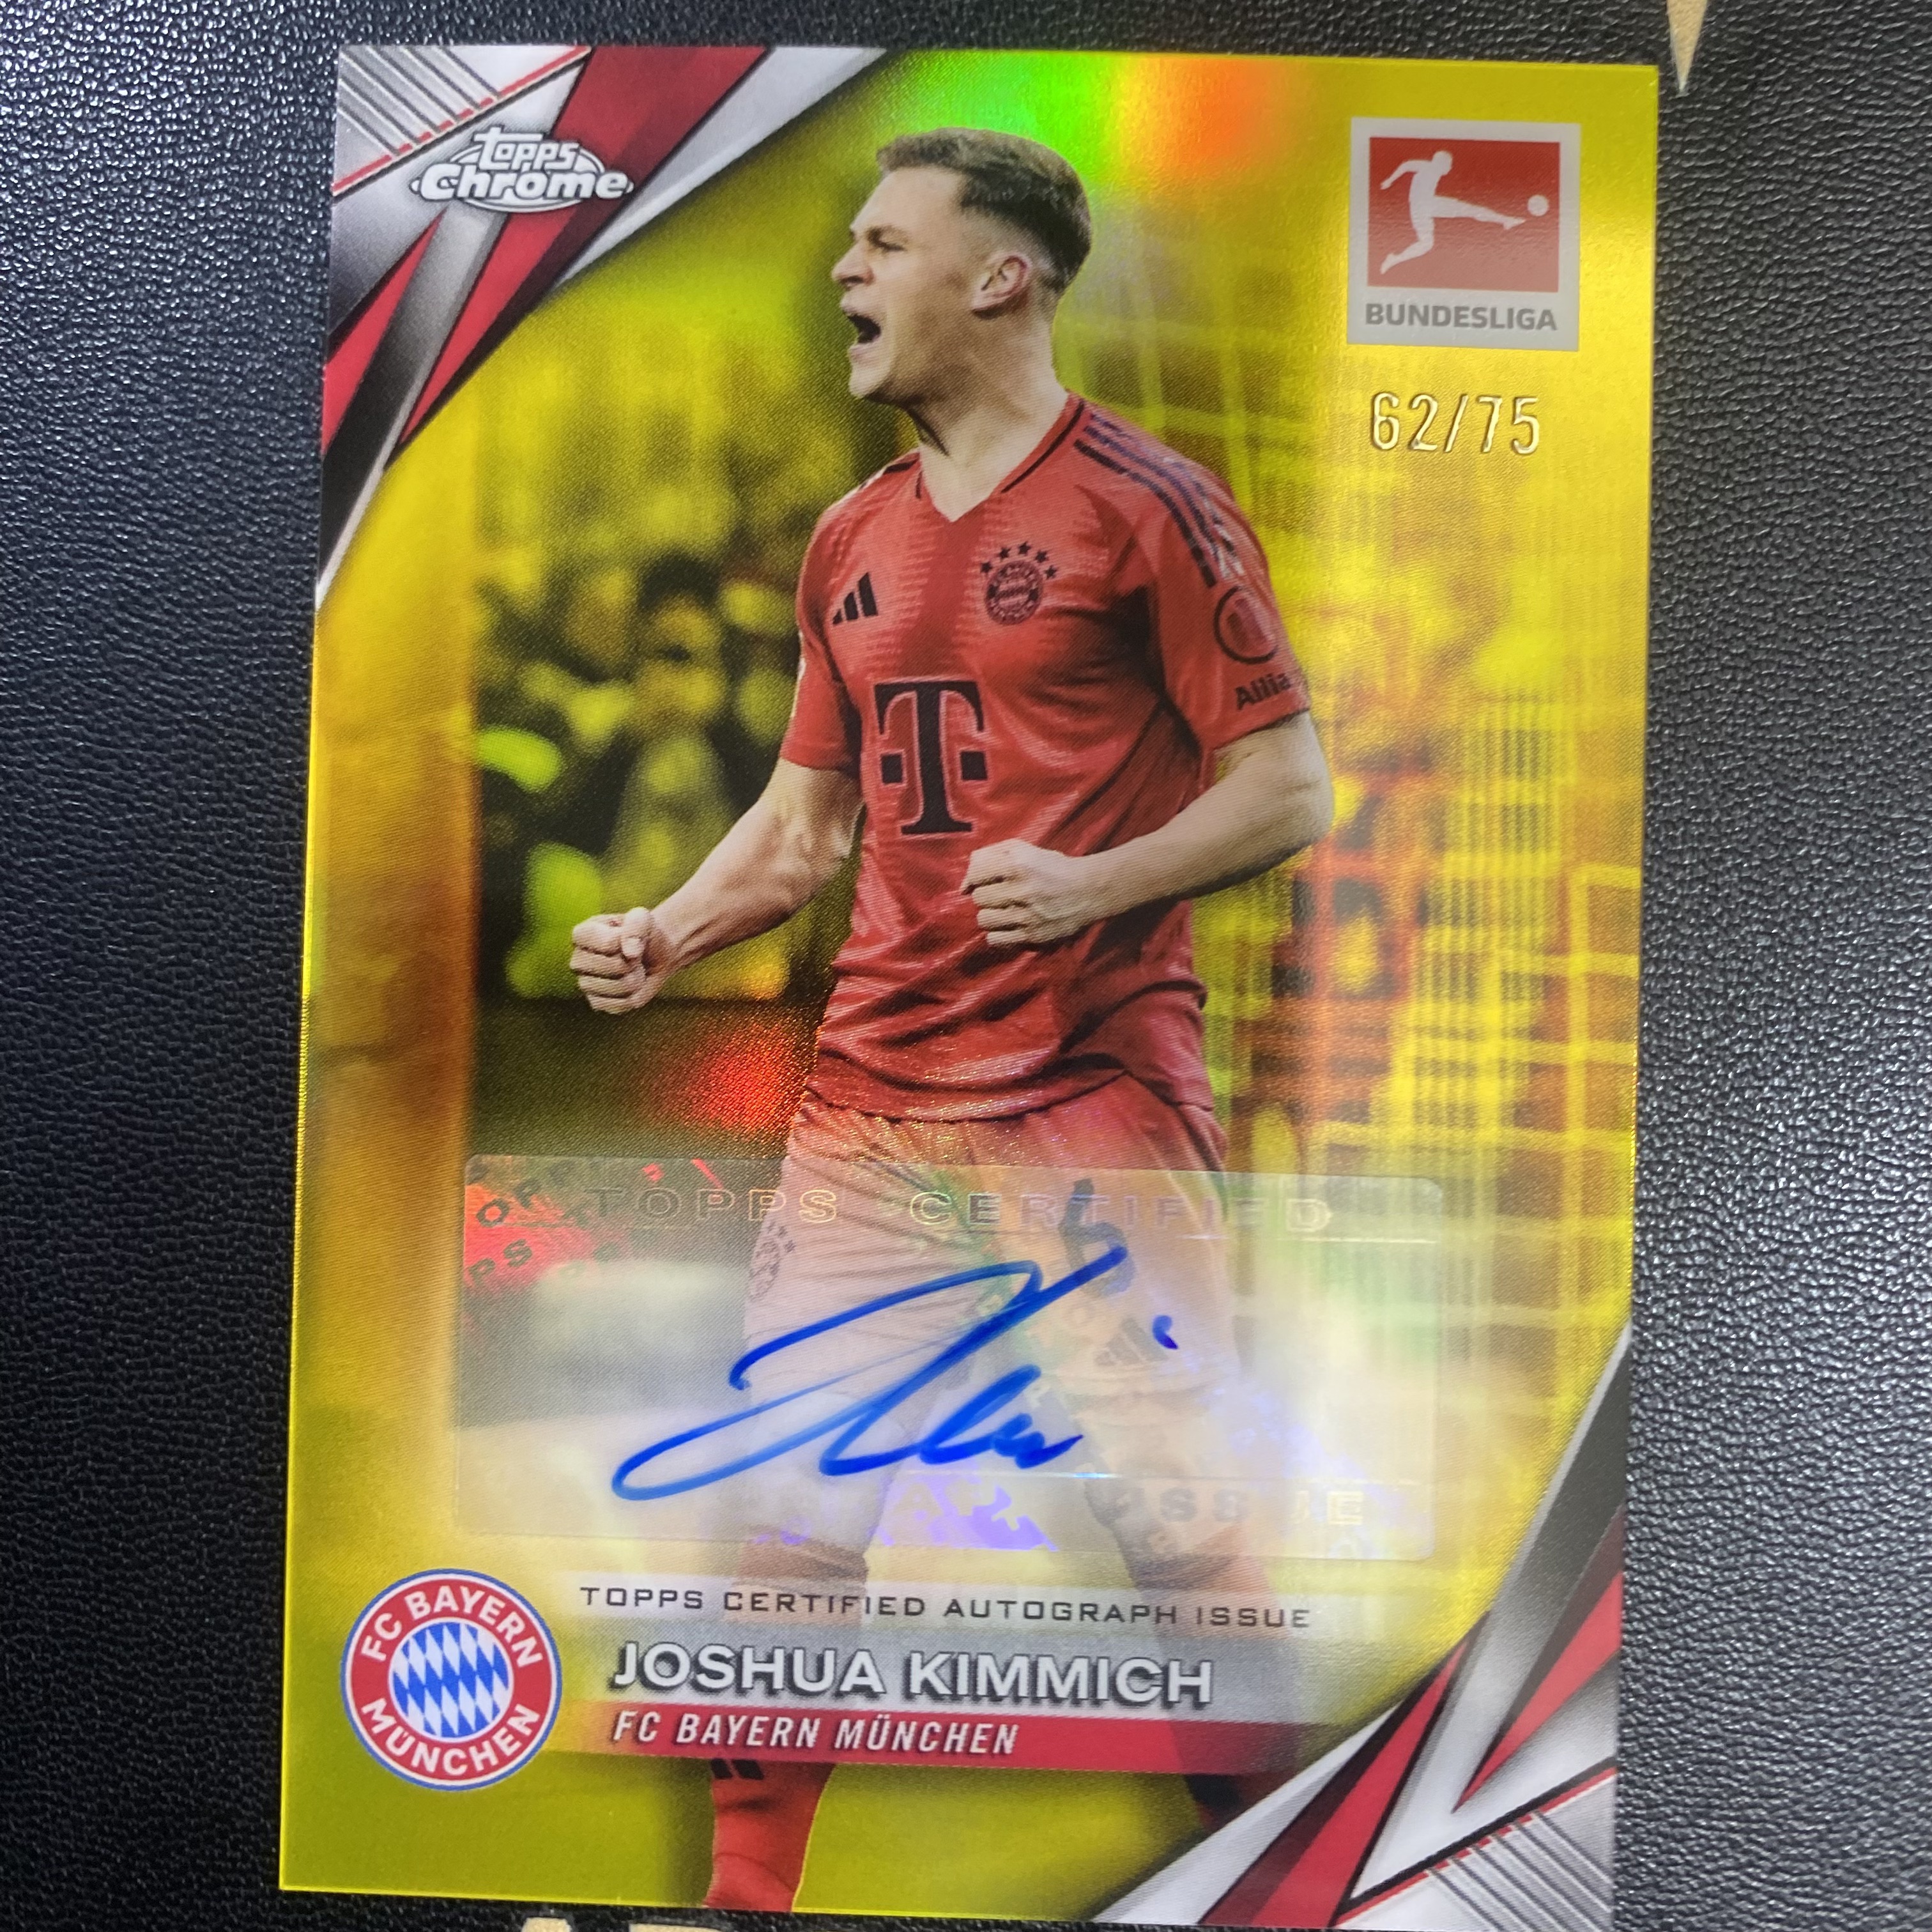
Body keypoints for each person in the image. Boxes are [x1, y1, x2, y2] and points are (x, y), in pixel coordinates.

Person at [571, 126, 1334, 1911]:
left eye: (882, 242)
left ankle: (1307, 1882)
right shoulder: (849, 536)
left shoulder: (1147, 507)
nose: (844, 270)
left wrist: (1095, 881)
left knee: (1171, 1517)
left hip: (1087, 1095)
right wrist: (671, 928)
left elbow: (1289, 785)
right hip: (870, 1106)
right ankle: (745, 1900)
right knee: (795, 1506)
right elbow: (806, 828)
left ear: (1000, 277)